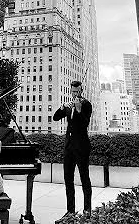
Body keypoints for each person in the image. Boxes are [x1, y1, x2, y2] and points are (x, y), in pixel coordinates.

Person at [53, 81, 93, 221]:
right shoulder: (69, 105)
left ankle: (87, 211)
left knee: (84, 179)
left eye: (78, 91)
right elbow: (56, 117)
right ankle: (70, 212)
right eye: (73, 92)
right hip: (69, 148)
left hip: (82, 147)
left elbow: (85, 123)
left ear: (82, 90)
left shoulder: (86, 104)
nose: (75, 94)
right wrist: (62, 107)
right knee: (68, 180)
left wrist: (79, 110)